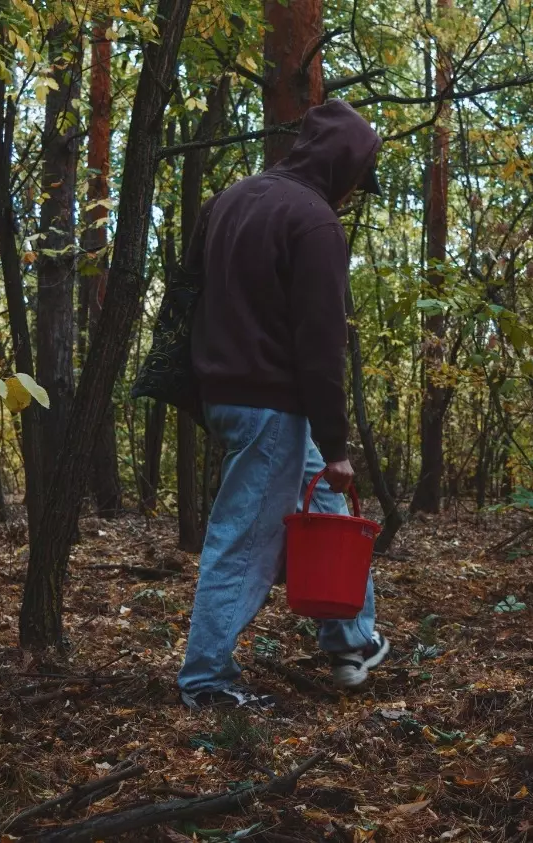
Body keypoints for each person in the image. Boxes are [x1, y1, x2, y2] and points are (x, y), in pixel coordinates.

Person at [177, 99, 388, 710]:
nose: (354, 194)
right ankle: (207, 681)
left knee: (325, 505)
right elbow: (320, 346)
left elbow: (186, 298)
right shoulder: (316, 222)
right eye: (356, 180)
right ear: (342, 165)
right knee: (243, 540)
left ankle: (351, 637)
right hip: (270, 402)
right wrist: (339, 444)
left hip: (233, 396)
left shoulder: (228, 201)